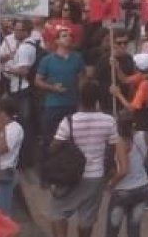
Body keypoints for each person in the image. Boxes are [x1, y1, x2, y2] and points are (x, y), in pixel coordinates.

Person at [49, 82, 121, 237]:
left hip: (69, 177)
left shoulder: (69, 121)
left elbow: (53, 148)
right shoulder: (109, 121)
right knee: (86, 219)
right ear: (97, 101)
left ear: (79, 99)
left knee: (58, 212)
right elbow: (113, 146)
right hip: (95, 176)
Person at [107, 116, 148, 237]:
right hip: (142, 187)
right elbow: (147, 157)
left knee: (112, 229)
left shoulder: (121, 142)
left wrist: (111, 183)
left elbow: (124, 170)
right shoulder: (144, 135)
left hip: (123, 190)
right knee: (134, 230)